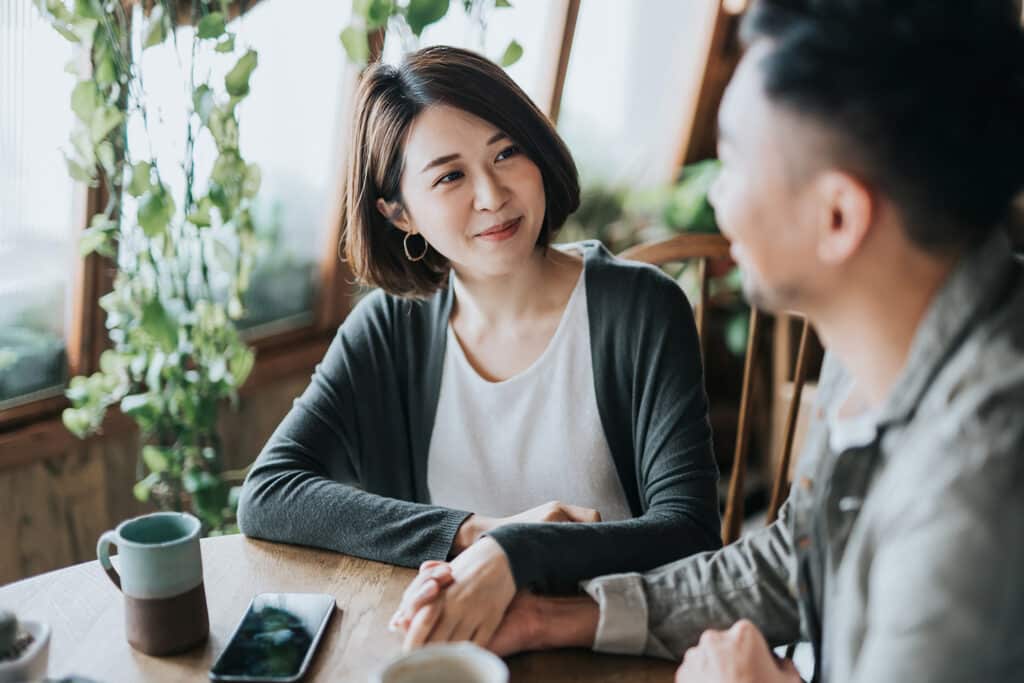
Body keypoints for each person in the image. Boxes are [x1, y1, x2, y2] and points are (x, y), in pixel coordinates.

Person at [393, 2, 1024, 681]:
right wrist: (561, 617)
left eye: (735, 165)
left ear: (838, 216)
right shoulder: (873, 342)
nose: (718, 201)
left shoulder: (979, 486)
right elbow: (794, 561)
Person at [236, 46, 723, 651]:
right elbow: (269, 494)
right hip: (464, 653)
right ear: (400, 214)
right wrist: (473, 533)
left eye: (506, 152)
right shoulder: (389, 330)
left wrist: (517, 552)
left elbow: (691, 534)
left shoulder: (643, 309)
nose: (492, 195)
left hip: (614, 651)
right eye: (450, 176)